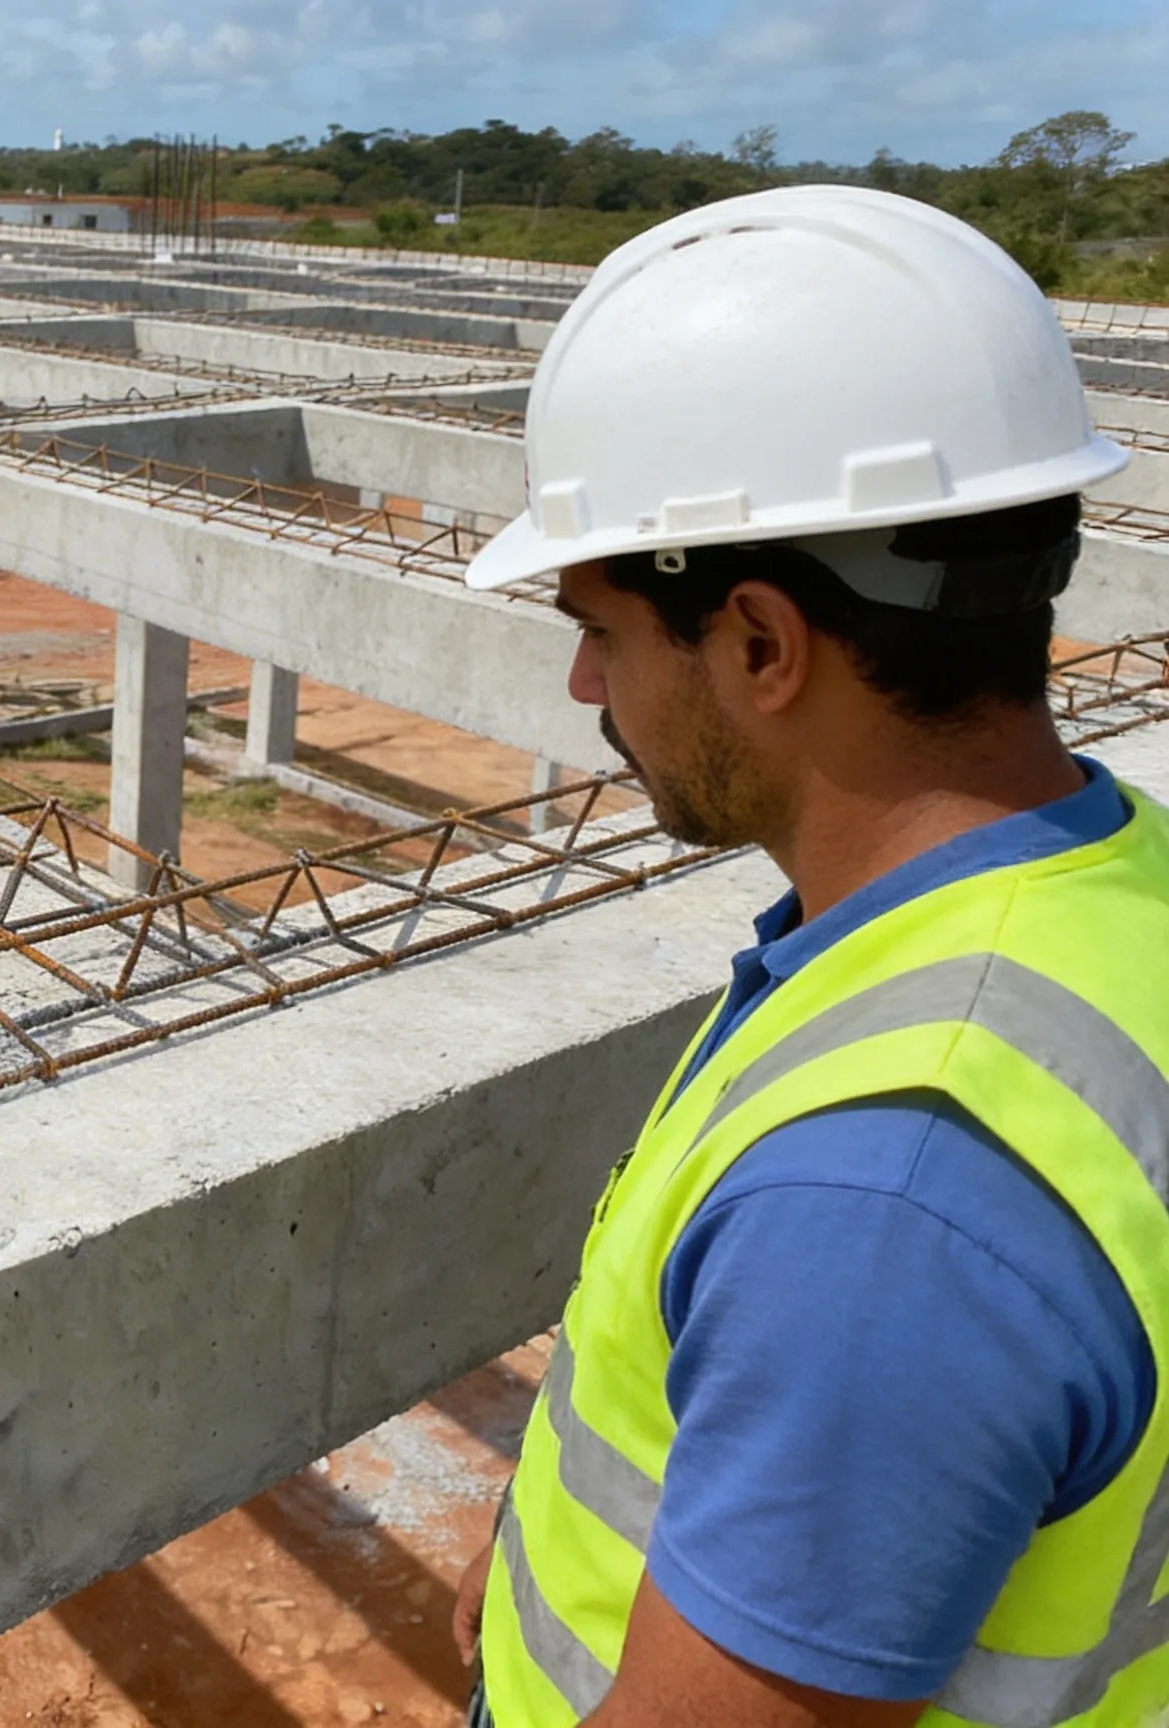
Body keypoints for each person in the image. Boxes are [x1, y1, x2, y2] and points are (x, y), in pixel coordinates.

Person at [450, 185, 1169, 1727]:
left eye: (602, 623)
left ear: (762, 644)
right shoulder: (1120, 897)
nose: (585, 678)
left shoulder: (890, 1198)